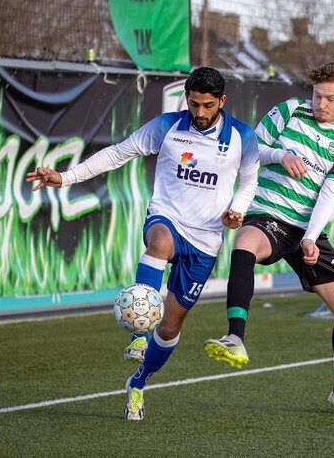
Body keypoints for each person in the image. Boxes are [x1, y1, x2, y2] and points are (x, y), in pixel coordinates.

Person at [26, 67, 259, 420]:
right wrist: (66, 177)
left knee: (170, 328)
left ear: (221, 102)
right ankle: (137, 333)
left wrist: (237, 212)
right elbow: (119, 152)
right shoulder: (166, 126)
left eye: (207, 106)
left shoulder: (242, 135)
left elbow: (248, 182)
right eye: (193, 103)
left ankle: (138, 382)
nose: (199, 113)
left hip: (207, 238)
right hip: (166, 216)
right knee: (160, 242)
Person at [203, 62, 334, 410]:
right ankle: (234, 337)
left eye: (331, 99)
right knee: (244, 245)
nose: (321, 103)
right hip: (269, 213)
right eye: (318, 95)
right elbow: (250, 150)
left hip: (308, 229)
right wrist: (281, 154)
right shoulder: (289, 111)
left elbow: (330, 191)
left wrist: (312, 236)